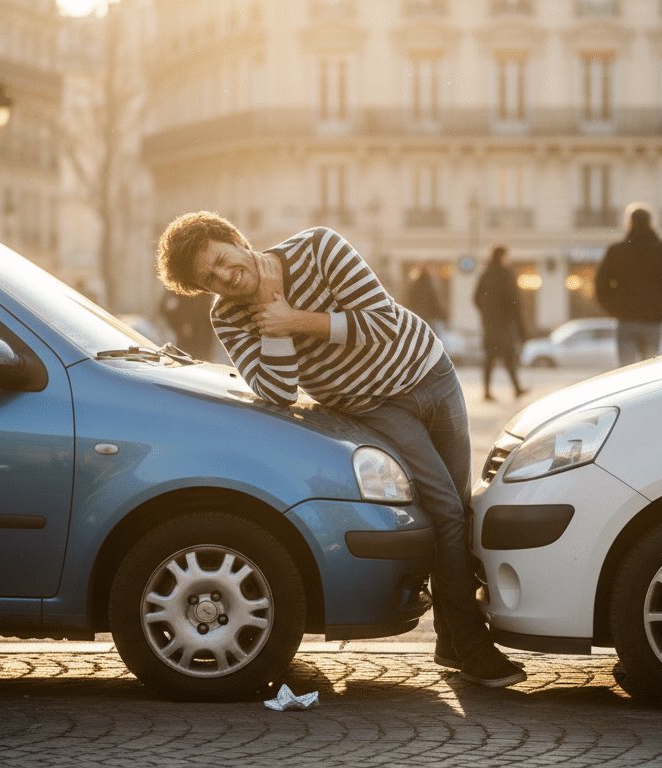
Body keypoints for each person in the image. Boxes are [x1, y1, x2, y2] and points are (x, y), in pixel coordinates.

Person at [154, 212, 526, 689]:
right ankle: (473, 646)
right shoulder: (228, 316)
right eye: (210, 279)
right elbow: (279, 388)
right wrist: (273, 322)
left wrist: (290, 317)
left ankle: (451, 642)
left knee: (459, 509)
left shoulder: (319, 248)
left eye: (223, 261)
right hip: (374, 406)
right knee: (447, 513)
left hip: (431, 374)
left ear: (237, 240)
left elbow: (380, 322)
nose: (225, 278)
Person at [594, 203, 662, 366]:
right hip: (653, 321)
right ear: (650, 224)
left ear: (629, 224)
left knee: (626, 370)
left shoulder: (617, 250)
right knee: (649, 370)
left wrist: (614, 308)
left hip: (626, 320)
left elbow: (600, 285)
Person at [472, 245, 526, 402]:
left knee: (490, 357)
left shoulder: (485, 274)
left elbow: (475, 298)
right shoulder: (506, 273)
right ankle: (516, 388)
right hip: (505, 323)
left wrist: (486, 313)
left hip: (490, 324)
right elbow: (514, 301)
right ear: (502, 256)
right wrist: (520, 325)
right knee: (508, 356)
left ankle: (488, 391)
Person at [406, 263, 447, 335]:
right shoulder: (430, 288)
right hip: (427, 320)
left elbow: (408, 303)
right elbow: (436, 304)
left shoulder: (413, 287)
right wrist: (444, 317)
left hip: (414, 320)